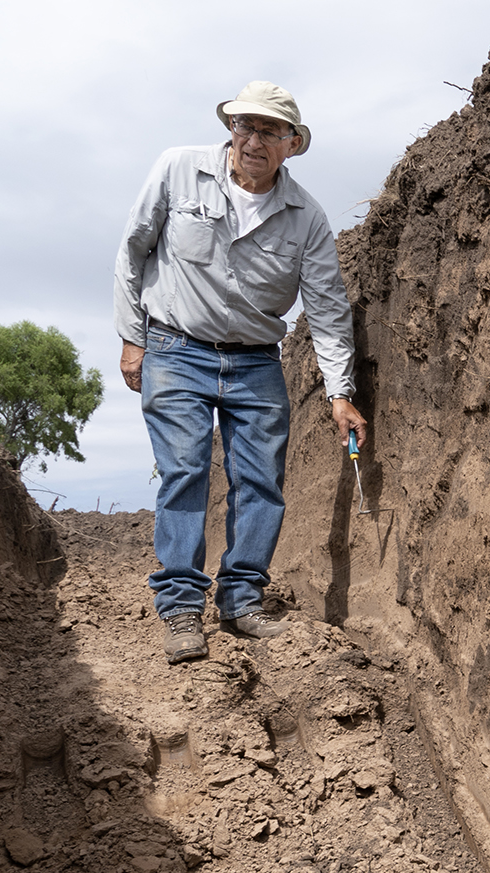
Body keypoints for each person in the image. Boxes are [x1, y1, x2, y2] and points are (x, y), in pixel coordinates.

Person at [114, 80, 369, 664]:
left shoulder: (307, 217)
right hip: (175, 347)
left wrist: (339, 393)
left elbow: (328, 308)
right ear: (230, 129)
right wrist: (131, 337)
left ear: (292, 143)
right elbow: (133, 251)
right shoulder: (178, 170)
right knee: (185, 470)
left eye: (270, 131)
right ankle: (180, 609)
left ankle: (241, 600)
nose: (254, 140)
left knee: (260, 482)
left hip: (256, 360)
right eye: (245, 126)